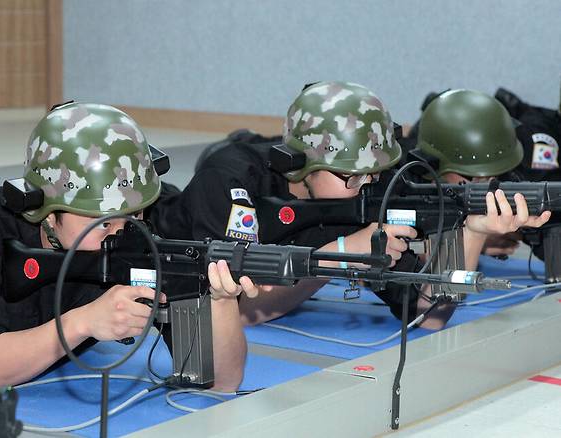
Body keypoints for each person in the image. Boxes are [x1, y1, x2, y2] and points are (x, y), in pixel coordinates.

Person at [152, 80, 548, 360]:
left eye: (373, 173)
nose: (367, 184)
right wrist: (336, 257)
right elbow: (236, 310)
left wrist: (473, 231)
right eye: (351, 175)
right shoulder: (231, 179)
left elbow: (429, 314)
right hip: (154, 245)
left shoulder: (359, 198)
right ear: (300, 163)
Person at [0, 102, 254, 393]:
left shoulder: (147, 234)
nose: (122, 232)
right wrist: (83, 322)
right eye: (100, 221)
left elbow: (222, 383)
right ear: (47, 214)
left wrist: (220, 301)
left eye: (133, 214)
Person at [412, 89, 552, 258]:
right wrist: (472, 236)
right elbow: (413, 265)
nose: (487, 184)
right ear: (433, 166)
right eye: (473, 177)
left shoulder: (513, 175)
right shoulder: (404, 189)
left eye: (496, 173)